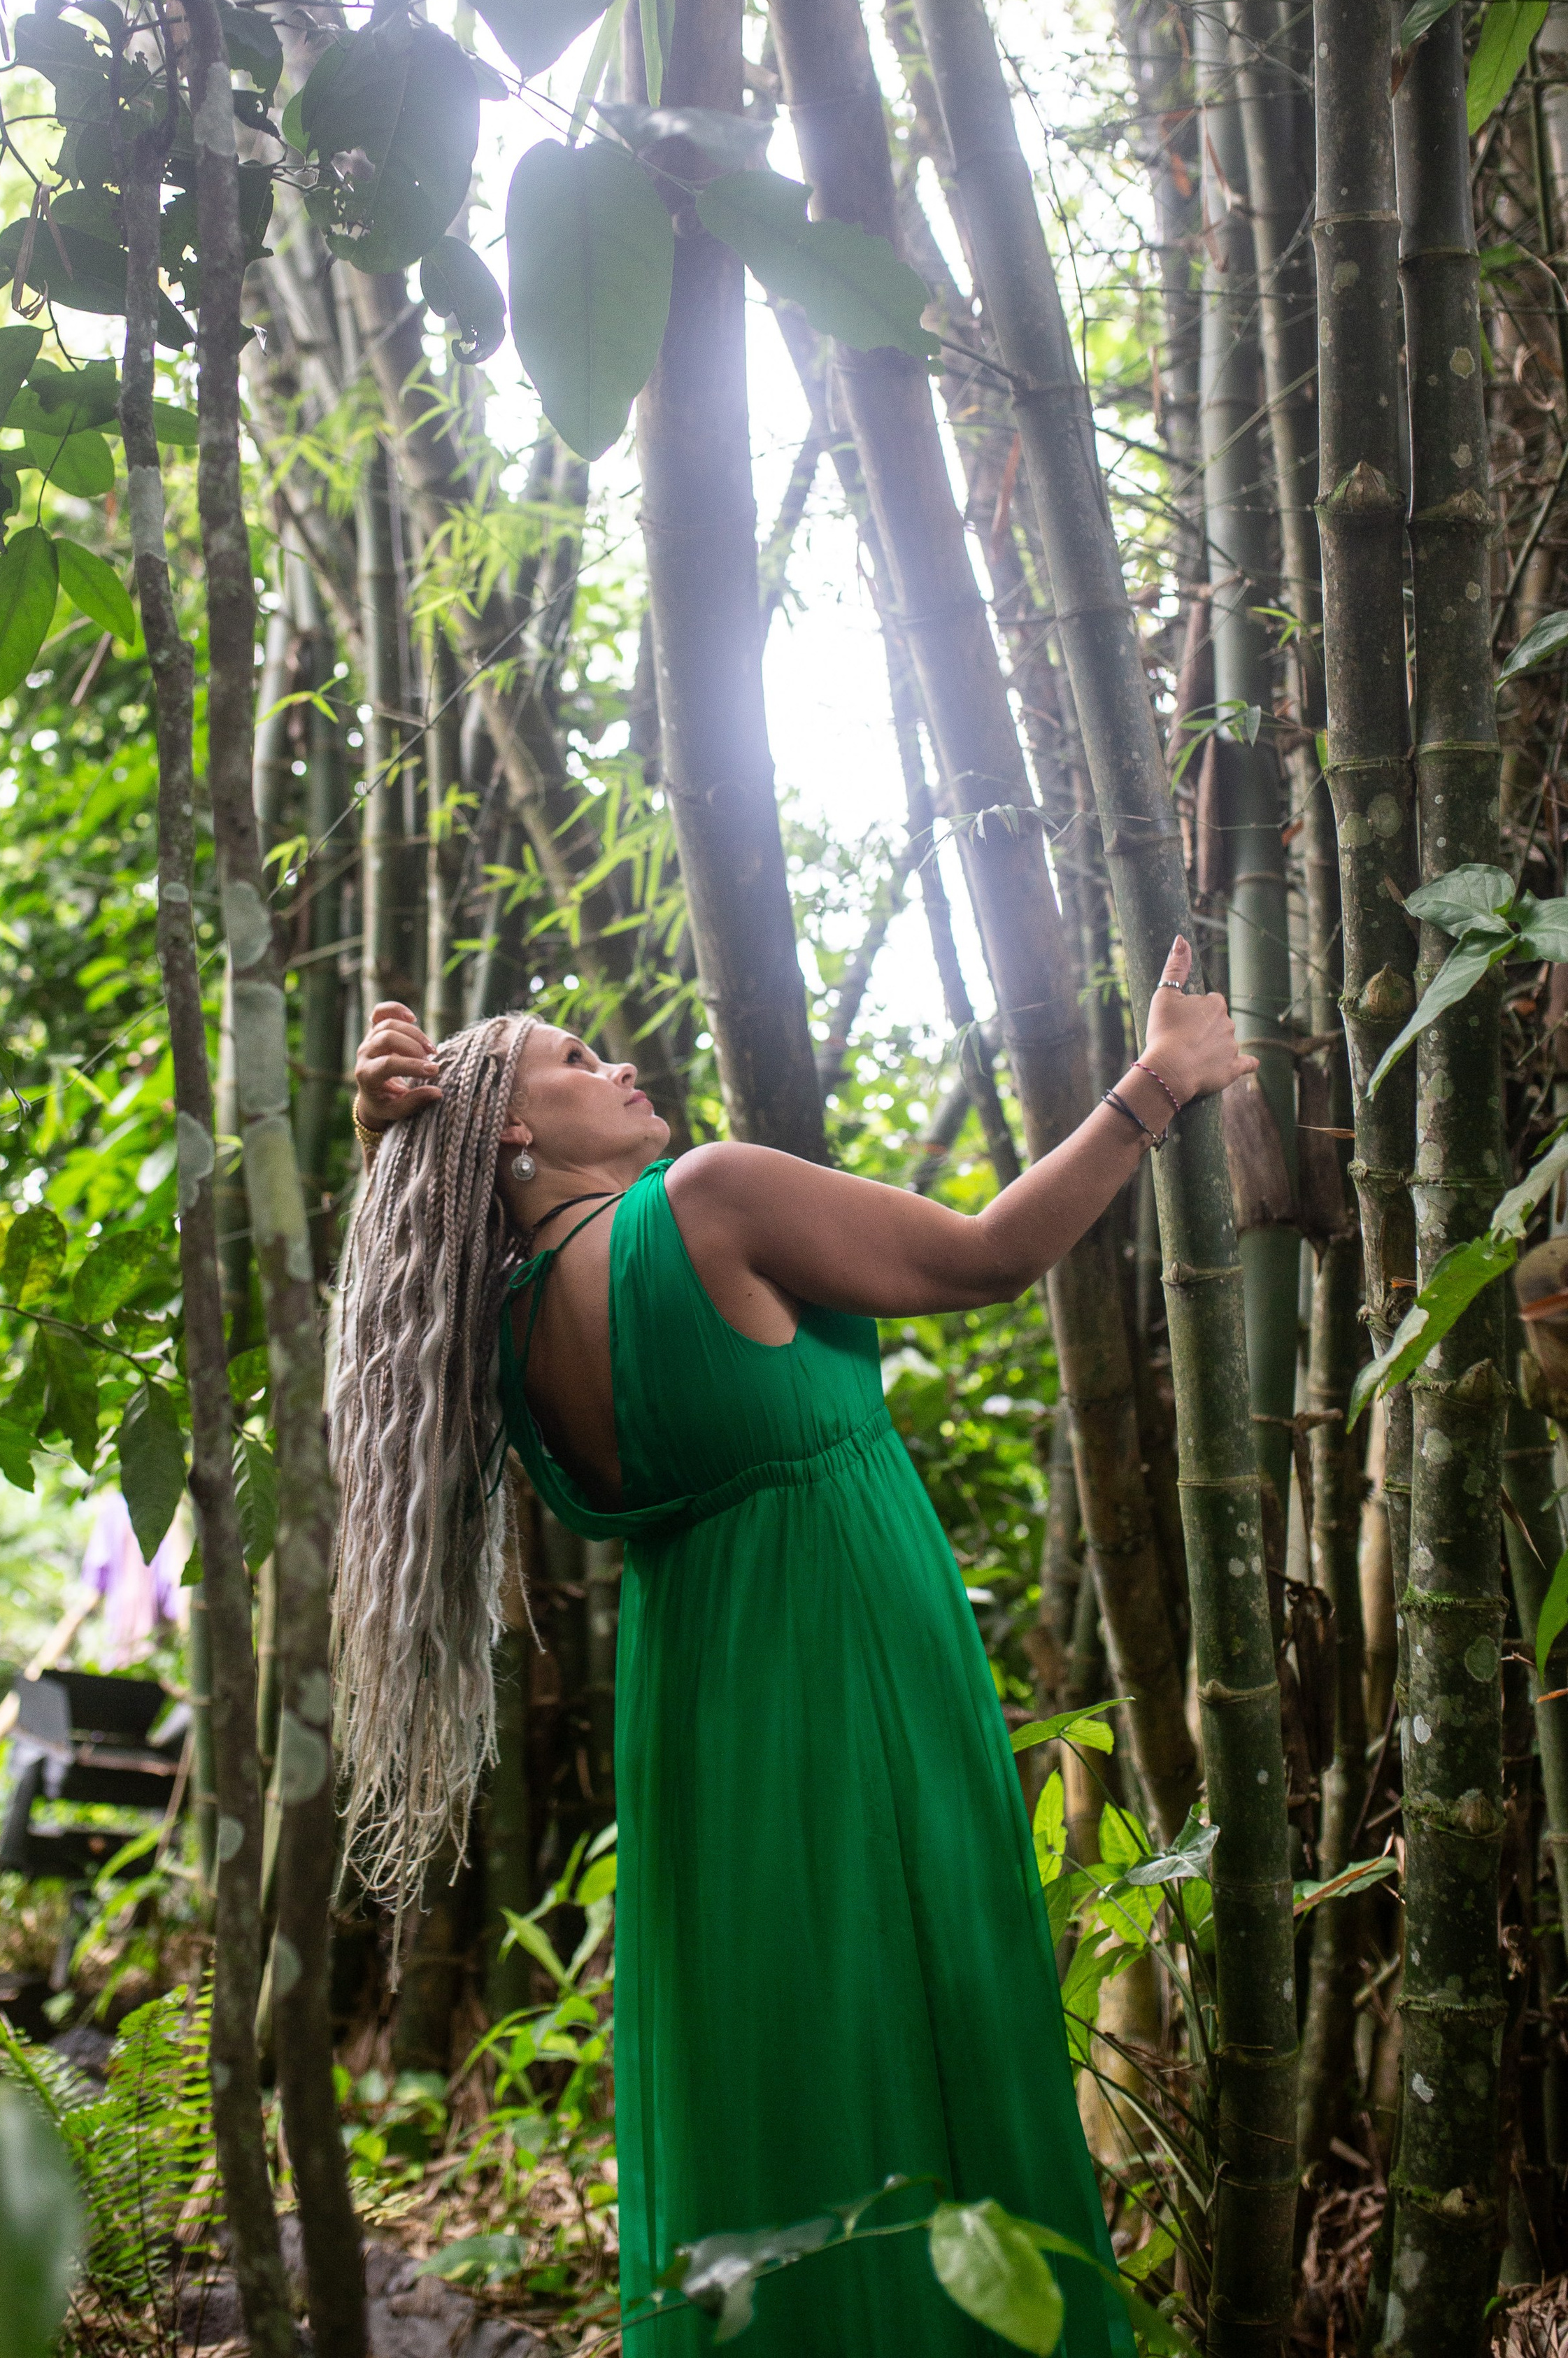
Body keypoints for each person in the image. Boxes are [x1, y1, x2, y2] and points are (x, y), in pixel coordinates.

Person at [330, 939, 1253, 2355]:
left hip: (699, 1706)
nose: (619, 1064)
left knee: (763, 2056)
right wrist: (1159, 1080)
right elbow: (986, 1256)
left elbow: (429, 1209)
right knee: (922, 2000)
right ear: (507, 1130)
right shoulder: (704, 1201)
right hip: (851, 1658)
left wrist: (385, 1127)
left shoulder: (492, 1331)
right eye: (576, 1061)